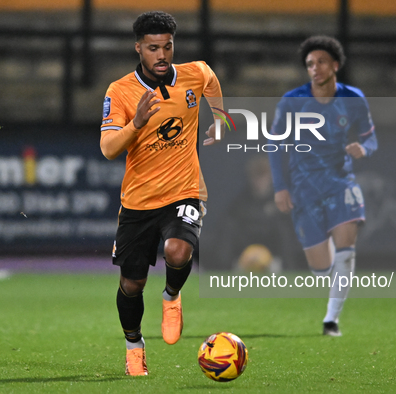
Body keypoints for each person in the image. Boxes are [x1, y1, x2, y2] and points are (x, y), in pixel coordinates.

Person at [99, 11, 223, 376]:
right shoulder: (120, 91)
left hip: (186, 189)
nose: (162, 54)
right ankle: (134, 345)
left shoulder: (194, 73)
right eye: (153, 48)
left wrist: (221, 119)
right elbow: (108, 148)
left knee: (178, 249)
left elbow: (211, 80)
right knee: (132, 283)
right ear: (138, 48)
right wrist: (136, 123)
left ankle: (171, 296)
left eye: (167, 46)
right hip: (138, 202)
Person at [268, 35, 378, 336]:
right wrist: (280, 187)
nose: (314, 69)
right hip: (305, 191)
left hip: (341, 183)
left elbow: (371, 137)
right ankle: (329, 257)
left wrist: (364, 149)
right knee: (322, 270)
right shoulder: (293, 101)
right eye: (309, 64)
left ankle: (331, 321)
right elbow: (274, 144)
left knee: (346, 252)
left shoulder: (353, 99)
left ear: (335, 65)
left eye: (320, 62)